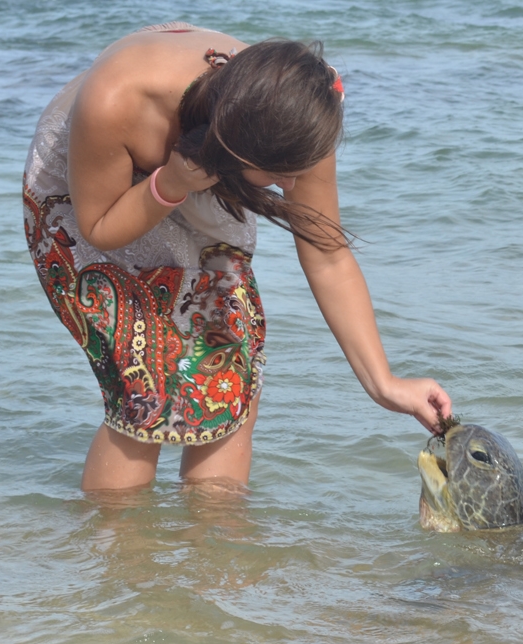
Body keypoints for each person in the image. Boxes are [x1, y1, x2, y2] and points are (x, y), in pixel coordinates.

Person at [23, 23, 451, 490]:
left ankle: (219, 548)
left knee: (230, 368)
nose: (289, 187)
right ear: (234, 149)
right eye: (278, 175)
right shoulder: (119, 99)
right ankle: (120, 551)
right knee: (144, 387)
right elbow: (99, 228)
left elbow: (327, 255)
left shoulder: (302, 116)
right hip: (87, 192)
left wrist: (384, 383)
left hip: (202, 164)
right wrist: (170, 185)